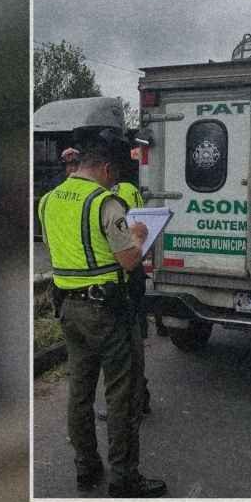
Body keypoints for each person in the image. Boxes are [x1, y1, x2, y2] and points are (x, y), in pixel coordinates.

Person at [38, 135, 167, 498]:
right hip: (107, 312)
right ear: (106, 169)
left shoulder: (48, 200)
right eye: (114, 177)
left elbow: (53, 248)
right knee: (121, 395)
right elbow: (129, 260)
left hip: (68, 309)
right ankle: (124, 479)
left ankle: (86, 468)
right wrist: (138, 235)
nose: (114, 184)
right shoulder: (104, 203)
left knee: (79, 392)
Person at [111, 173, 152, 417]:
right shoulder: (128, 189)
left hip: (128, 283)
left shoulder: (116, 196)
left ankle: (133, 403)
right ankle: (139, 398)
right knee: (133, 347)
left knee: (128, 350)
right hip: (134, 281)